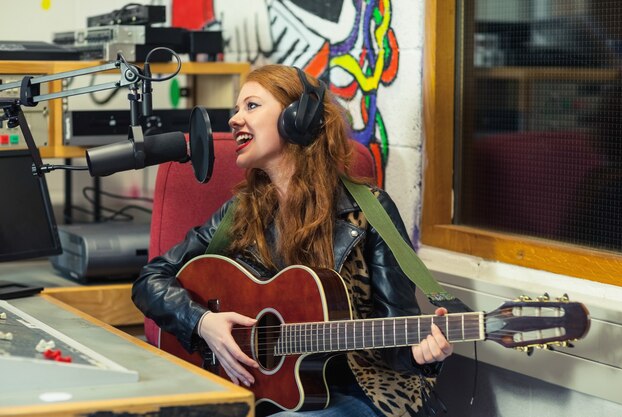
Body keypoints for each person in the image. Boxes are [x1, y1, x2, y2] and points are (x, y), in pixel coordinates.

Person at [132, 64, 453, 417]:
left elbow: (399, 336)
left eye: (251, 106)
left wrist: (422, 355)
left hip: (360, 390)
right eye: (236, 110)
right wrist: (202, 322)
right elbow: (150, 281)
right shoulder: (239, 214)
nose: (235, 119)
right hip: (266, 387)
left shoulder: (369, 211)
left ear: (298, 119)